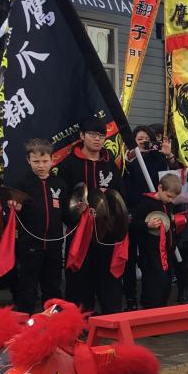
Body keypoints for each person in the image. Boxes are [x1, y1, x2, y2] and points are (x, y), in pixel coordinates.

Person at [58, 115, 126, 313]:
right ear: (82, 135)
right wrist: (75, 212)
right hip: (79, 233)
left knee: (108, 279)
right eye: (93, 134)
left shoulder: (110, 165)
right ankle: (78, 323)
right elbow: (63, 198)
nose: (97, 139)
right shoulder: (68, 164)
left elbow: (120, 197)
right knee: (79, 279)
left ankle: (111, 320)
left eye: (101, 135)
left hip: (106, 234)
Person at [9, 138, 64, 312]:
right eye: (36, 162)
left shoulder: (59, 184)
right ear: (28, 161)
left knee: (53, 286)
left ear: (52, 160)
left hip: (55, 244)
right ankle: (25, 321)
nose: (40, 165)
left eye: (44, 161)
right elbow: (12, 211)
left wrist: (80, 209)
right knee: (28, 285)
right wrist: (14, 208)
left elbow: (68, 214)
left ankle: (54, 323)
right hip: (30, 244)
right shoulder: (22, 183)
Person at [123, 125, 167, 309]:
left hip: (154, 212)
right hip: (134, 213)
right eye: (138, 138)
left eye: (145, 138)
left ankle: (150, 300)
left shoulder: (158, 158)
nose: (142, 141)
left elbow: (169, 180)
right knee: (130, 259)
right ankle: (131, 299)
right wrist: (128, 159)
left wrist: (168, 155)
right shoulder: (129, 161)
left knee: (150, 259)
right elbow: (124, 181)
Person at [132, 172, 184, 309]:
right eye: (169, 196)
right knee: (152, 285)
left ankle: (161, 311)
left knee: (165, 284)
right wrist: (146, 225)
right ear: (160, 188)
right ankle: (149, 311)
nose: (171, 200)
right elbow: (132, 224)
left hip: (167, 252)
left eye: (174, 198)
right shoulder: (146, 204)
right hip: (150, 254)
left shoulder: (168, 205)